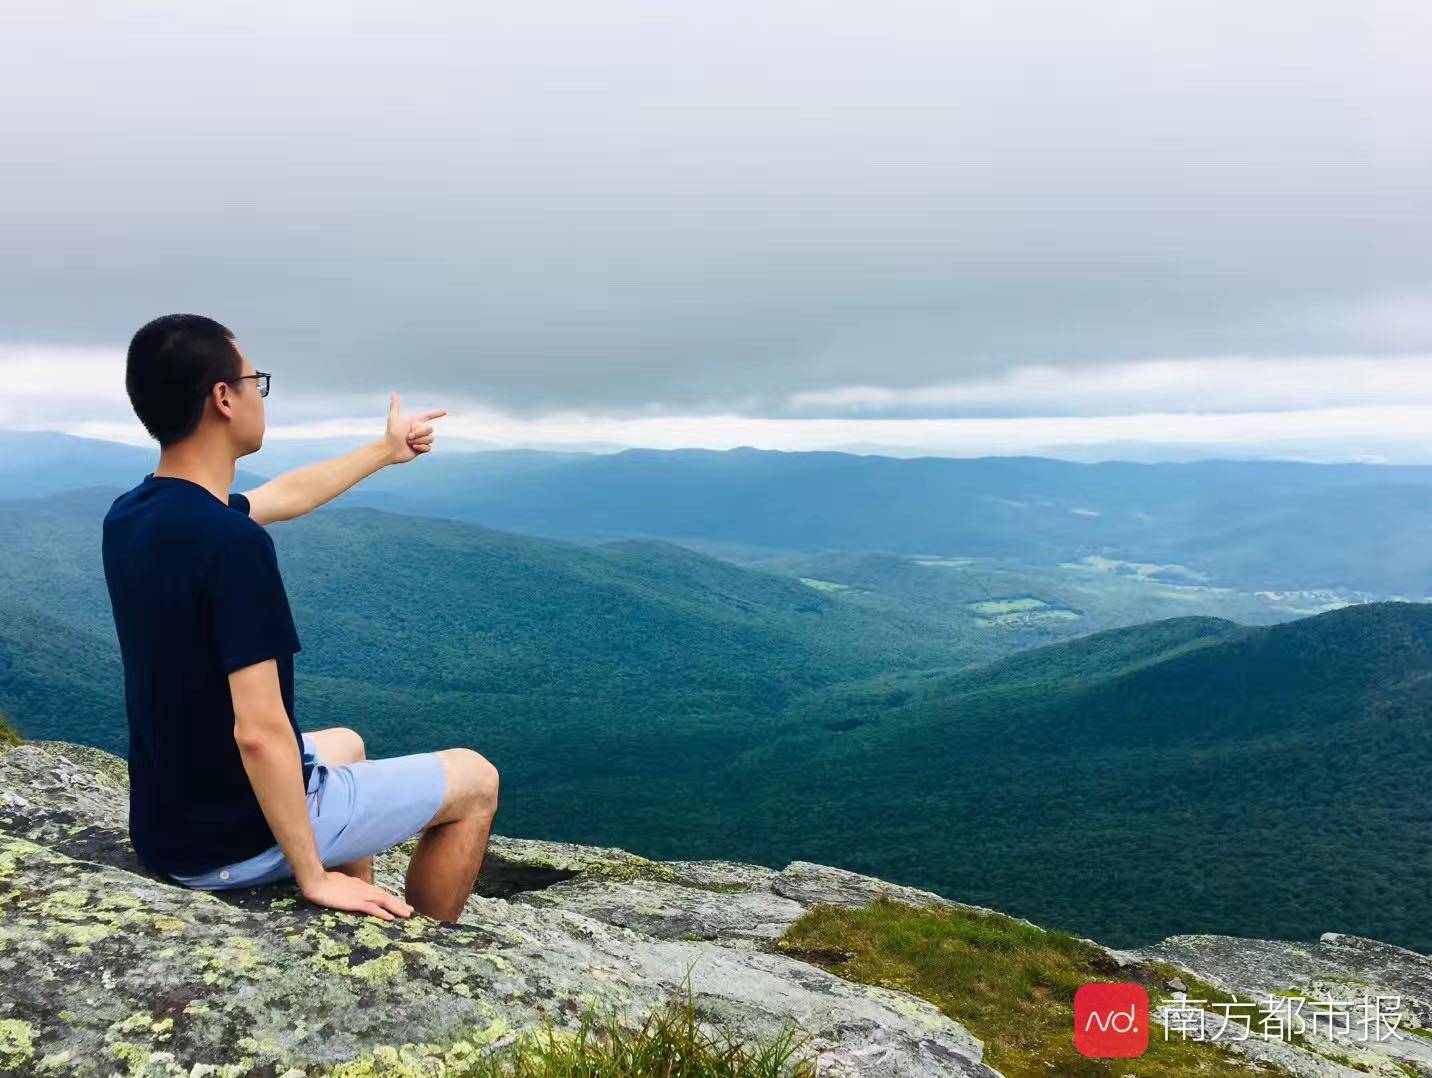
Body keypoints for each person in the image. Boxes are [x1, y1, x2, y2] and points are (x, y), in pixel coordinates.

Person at [102, 313, 499, 923]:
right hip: (231, 840)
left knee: (348, 743)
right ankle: (424, 948)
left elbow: (282, 497)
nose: (261, 394)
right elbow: (258, 732)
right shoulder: (232, 546)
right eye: (254, 380)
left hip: (169, 827)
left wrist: (386, 451)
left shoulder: (132, 516)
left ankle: (360, 902)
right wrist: (312, 873)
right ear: (223, 398)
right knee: (476, 778)